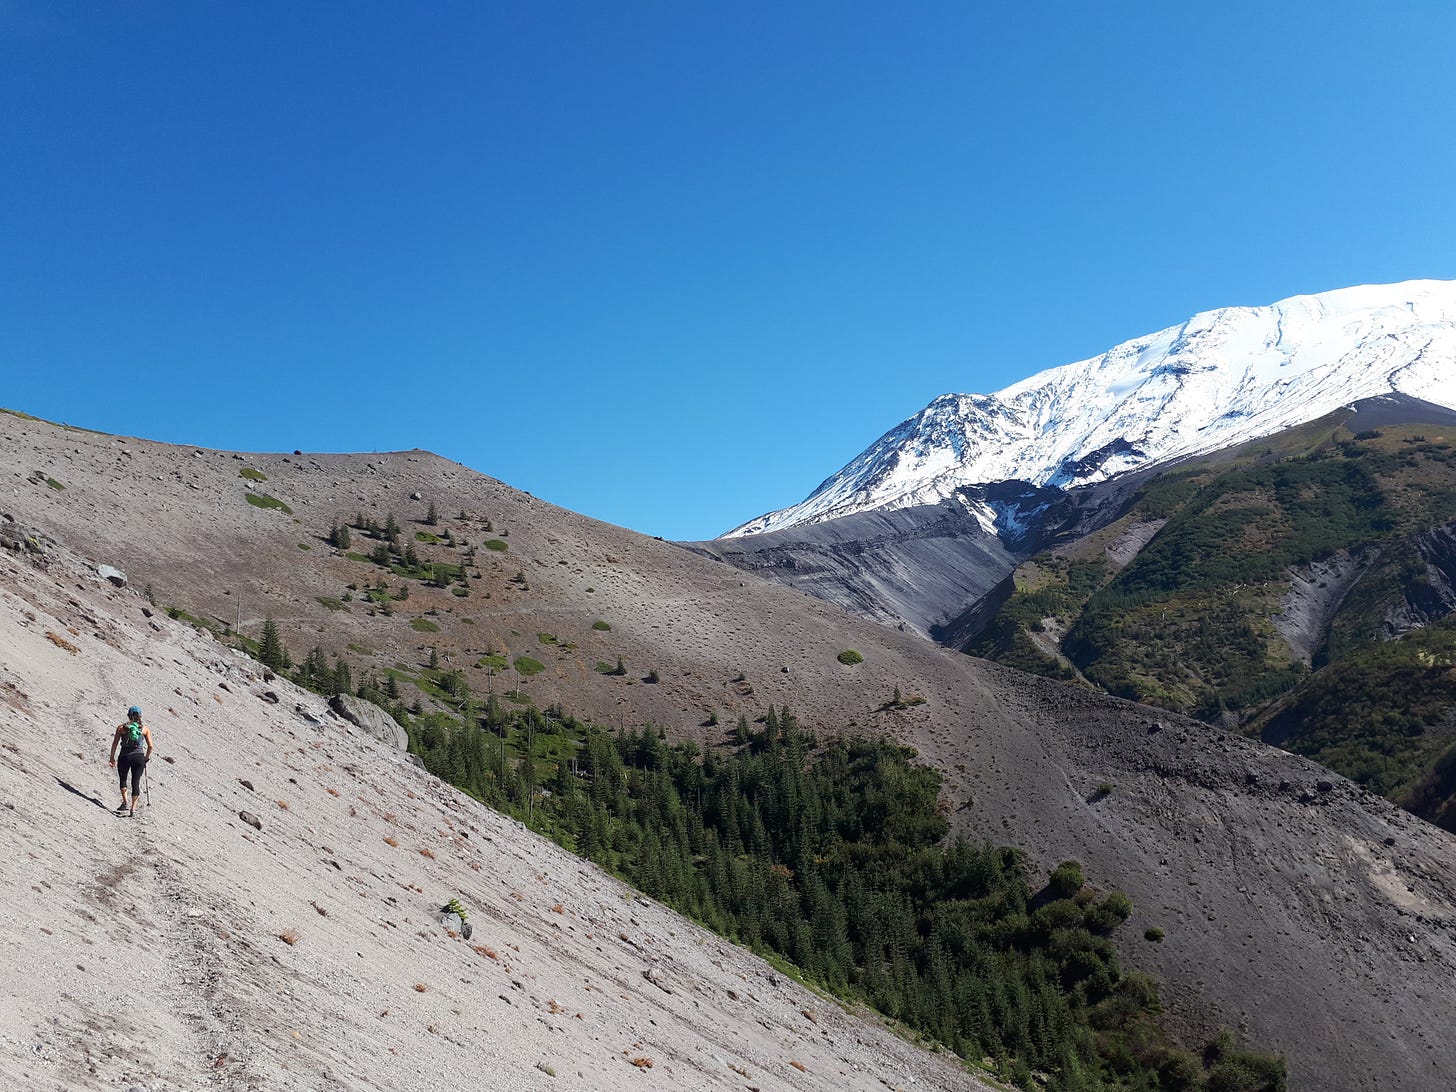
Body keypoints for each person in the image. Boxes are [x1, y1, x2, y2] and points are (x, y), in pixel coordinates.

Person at [108, 705, 153, 816]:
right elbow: (151, 746)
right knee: (135, 782)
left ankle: (125, 802)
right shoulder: (145, 729)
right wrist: (146, 758)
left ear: (128, 715)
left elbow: (115, 743)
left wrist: (112, 757)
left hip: (124, 756)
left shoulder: (121, 728)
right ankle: (133, 809)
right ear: (140, 716)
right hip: (138, 757)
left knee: (123, 779)